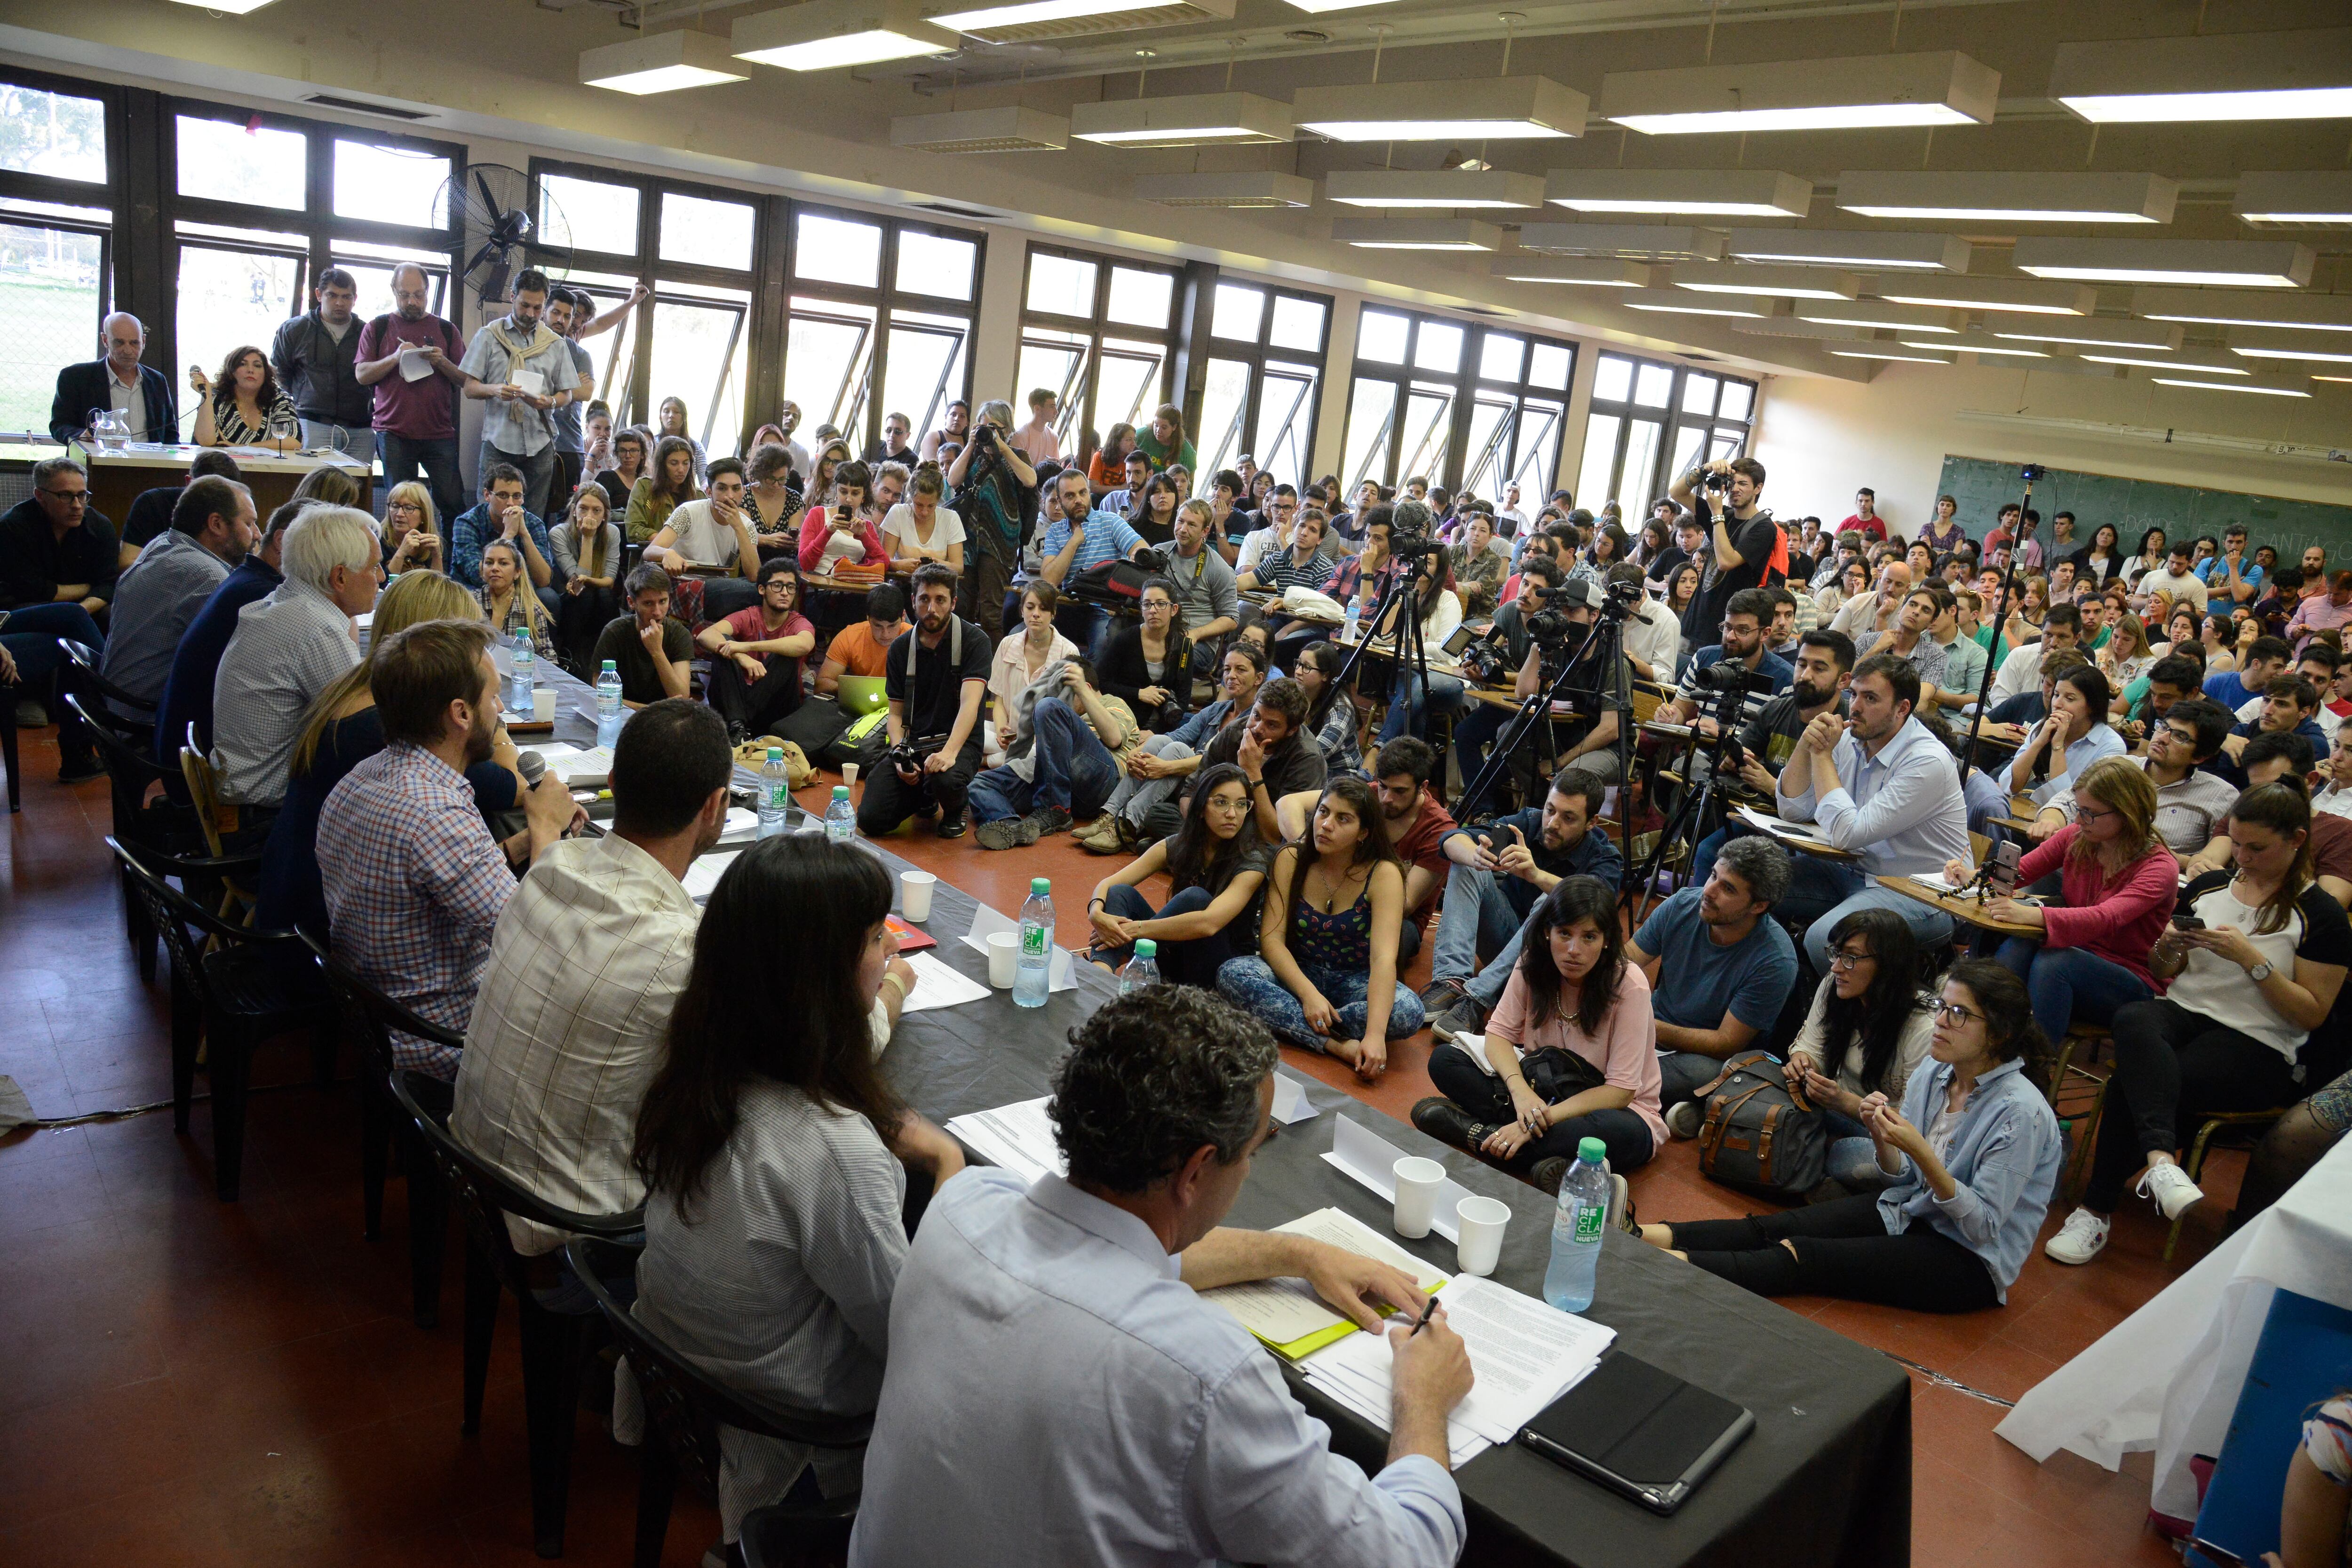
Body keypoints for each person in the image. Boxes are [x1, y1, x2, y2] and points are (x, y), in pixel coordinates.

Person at [849, 984, 1470, 1568]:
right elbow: (1404, 1554)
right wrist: (1422, 1401)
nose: (1248, 1171)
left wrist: (1298, 1254)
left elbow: (1113, 1256)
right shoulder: (1203, 1372)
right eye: (1252, 1151)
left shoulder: (962, 1208)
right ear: (1196, 1171)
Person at [626, 832, 956, 1550]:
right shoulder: (832, 1147)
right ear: (819, 978)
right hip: (798, 1430)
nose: (890, 950)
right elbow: (911, 1336)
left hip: (691, 1377)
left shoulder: (695, 1068)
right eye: (875, 937)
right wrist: (950, 1167)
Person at [454, 699, 729, 1265]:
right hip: (569, 1225)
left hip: (469, 1169)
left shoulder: (550, 868)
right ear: (713, 807)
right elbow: (794, 1058)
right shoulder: (683, 951)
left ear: (612, 784)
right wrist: (888, 991)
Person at [2046, 780, 2352, 1265]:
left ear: (2296, 840)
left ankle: (2095, 1210)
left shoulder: (2322, 915)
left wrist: (2252, 961)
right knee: (2133, 1017)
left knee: (2135, 1078)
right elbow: (2163, 969)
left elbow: (2311, 1012)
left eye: (2257, 848)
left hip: (2258, 1039)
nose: (2243, 857)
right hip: (2185, 1010)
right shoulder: (2209, 887)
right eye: (2236, 843)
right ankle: (2160, 1163)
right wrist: (2169, 946)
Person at [1641, 958, 2061, 1311]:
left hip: (1968, 1260)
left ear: (2000, 1032)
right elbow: (1903, 1178)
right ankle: (1641, 1235)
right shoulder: (1936, 1071)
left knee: (1805, 1257)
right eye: (1941, 1006)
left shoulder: (2020, 1113)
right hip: (1910, 1209)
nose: (1940, 1021)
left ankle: (1660, 1264)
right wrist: (1881, 1136)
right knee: (1780, 1225)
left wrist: (1920, 1152)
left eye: (1959, 1013)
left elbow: (1983, 1227)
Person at [318, 618, 579, 1078]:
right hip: (447, 1042)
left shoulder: (360, 779)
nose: (500, 709)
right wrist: (544, 829)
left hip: (380, 1022)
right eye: (493, 697)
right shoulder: (438, 815)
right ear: (461, 714)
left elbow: (446, 878)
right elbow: (537, 944)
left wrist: (523, 844)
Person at [257, 570, 519, 938]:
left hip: (301, 899)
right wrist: (496, 725)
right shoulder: (405, 739)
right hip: (311, 927)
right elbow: (511, 787)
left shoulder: (352, 692)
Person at [1414, 875, 1664, 1190]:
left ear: (1606, 941)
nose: (1574, 950)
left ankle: (1476, 1133)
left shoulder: (1629, 984)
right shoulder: (1533, 963)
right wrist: (1521, 1093)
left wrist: (1533, 1122)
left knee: (1614, 1133)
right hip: (1541, 1092)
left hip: (1610, 1109)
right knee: (1445, 1060)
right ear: (1548, 931)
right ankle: (1540, 1156)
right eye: (1564, 933)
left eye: (1589, 937)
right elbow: (1498, 1035)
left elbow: (1620, 1091)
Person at [1950, 756, 2181, 1051]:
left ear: (2127, 813)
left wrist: (2033, 915)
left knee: (2055, 962)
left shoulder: (2159, 868)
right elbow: (2021, 871)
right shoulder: (2078, 836)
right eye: (2079, 809)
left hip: (2129, 977)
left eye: (2089, 813)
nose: (2079, 820)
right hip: (2075, 952)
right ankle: (1984, 1040)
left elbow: (2105, 918)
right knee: (2021, 945)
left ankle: (2033, 1060)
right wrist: (1974, 877)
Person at [1218, 777, 1423, 1081]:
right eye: (1323, 812)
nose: (1326, 825)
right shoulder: (1291, 858)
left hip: (1356, 980)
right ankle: (1335, 1044)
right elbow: (1271, 940)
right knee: (1232, 974)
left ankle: (1298, 1023)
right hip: (1297, 973)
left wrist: (1375, 1035)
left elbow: (1383, 960)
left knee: (1409, 1011)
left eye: (1343, 819)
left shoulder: (1384, 874)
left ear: (1364, 833)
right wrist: (1309, 996)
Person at [1774, 654, 1971, 965]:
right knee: (1752, 887)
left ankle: (1844, 999)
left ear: (1902, 708)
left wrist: (1822, 756)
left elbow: (1847, 834)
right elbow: (1794, 810)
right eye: (1854, 694)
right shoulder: (1851, 739)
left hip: (1920, 893)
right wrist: (1806, 745)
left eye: (1870, 698)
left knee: (1825, 938)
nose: (1855, 707)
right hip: (1853, 872)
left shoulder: (1926, 760)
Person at [210, 506, 381, 807]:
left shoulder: (282, 603)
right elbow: (367, 726)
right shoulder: (316, 628)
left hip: (240, 782)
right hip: (266, 804)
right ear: (340, 577)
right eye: (374, 567)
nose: (381, 576)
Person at [1626, 839, 1801, 1126]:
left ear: (1759, 906)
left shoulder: (1775, 961)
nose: (1708, 891)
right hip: (1652, 1029)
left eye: (1728, 889)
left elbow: (1725, 1043)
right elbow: (1626, 961)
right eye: (1713, 875)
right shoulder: (1683, 903)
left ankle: (1616, 1085)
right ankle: (1678, 1104)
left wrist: (1642, 1025)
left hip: (1707, 1056)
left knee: (1706, 1074)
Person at [1780, 909, 1940, 1192]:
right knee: (1762, 1082)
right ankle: (1814, 1163)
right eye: (1836, 954)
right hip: (1827, 1112)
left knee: (1861, 1158)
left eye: (1851, 958)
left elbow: (1910, 1124)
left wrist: (1844, 1102)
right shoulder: (1836, 985)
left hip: (1886, 1136)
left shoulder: (1924, 1026)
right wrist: (1804, 1064)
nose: (1836, 968)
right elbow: (1810, 1046)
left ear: (1888, 965)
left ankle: (1800, 1153)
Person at [1085, 762, 1271, 986]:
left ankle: (1103, 976)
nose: (1232, 814)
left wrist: (1134, 930)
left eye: (1241, 804)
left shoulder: (1252, 861)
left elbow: (1209, 923)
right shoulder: (1179, 845)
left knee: (1195, 898)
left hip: (1221, 968)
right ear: (1201, 807)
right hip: (1175, 954)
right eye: (1221, 802)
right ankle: (1100, 975)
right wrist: (1096, 913)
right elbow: (1109, 884)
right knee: (1120, 892)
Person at [153, 498, 299, 763]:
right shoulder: (262, 596)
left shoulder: (246, 578)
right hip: (198, 760)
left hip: (187, 742)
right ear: (282, 541)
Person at [97, 475, 254, 721]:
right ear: (216, 524)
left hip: (118, 705)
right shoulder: (207, 574)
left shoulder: (163, 543)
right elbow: (245, 658)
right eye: (249, 524)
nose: (257, 535)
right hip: (145, 722)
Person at [1084, 644, 1269, 850]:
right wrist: (1137, 752)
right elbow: (1177, 735)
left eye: (1240, 670)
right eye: (1227, 669)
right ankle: (1109, 815)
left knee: (1176, 750)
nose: (1231, 676)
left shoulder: (1258, 721)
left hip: (1220, 789)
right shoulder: (1217, 710)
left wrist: (1166, 767)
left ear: (1259, 678)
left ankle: (1125, 826)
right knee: (1159, 742)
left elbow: (1220, 762)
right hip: (1189, 781)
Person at [860, 564, 988, 840]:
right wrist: (899, 756)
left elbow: (970, 704)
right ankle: (925, 796)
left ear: (953, 603)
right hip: (915, 742)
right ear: (913, 601)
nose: (932, 609)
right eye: (924, 599)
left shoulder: (975, 641)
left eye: (940, 600)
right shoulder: (900, 648)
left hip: (959, 742)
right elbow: (895, 715)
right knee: (871, 819)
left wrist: (949, 753)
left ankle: (956, 807)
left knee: (945, 778)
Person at [2030, 696, 2241, 862]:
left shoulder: (2219, 795)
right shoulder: (2118, 767)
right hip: (2086, 864)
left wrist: (2178, 860)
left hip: (2154, 883)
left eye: (2180, 737)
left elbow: (2216, 857)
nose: (2162, 738)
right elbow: (2065, 802)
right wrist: (2051, 821)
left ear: (2200, 757)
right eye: (2163, 727)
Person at [971, 655, 1137, 850]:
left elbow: (1114, 739)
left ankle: (1054, 809)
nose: (1062, 700)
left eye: (1065, 694)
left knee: (1048, 706)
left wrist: (1082, 691)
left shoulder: (1114, 703)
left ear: (1086, 688)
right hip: (1060, 786)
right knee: (979, 784)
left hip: (1103, 784)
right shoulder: (1063, 719)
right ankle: (1012, 827)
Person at [355, 262, 470, 526]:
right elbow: (362, 375)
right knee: (401, 508)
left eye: (418, 295)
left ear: (428, 291)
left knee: (453, 503)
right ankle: (402, 552)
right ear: (393, 290)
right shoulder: (378, 327)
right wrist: (396, 357)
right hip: (393, 432)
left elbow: (466, 380)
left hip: (438, 432)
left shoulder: (446, 329)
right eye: (404, 295)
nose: (412, 302)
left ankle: (453, 552)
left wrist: (441, 362)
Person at [459, 269, 578, 521]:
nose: (531, 314)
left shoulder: (555, 343)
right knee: (488, 516)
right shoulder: (489, 336)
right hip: (498, 441)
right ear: (512, 297)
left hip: (540, 442)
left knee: (532, 518)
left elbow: (567, 394)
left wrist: (549, 401)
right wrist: (495, 390)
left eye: (538, 308)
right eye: (525, 305)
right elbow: (469, 387)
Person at [946, 400, 1039, 642]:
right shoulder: (973, 455)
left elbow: (1030, 480)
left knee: (991, 612)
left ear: (1007, 430)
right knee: (962, 608)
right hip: (967, 540)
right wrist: (971, 445)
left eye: (994, 427)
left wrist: (1003, 449)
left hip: (1000, 542)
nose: (988, 431)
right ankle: (962, 657)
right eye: (983, 426)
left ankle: (993, 663)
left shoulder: (1017, 455)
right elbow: (953, 481)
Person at [691, 557, 812, 743]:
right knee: (723, 646)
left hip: (774, 710)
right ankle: (738, 726)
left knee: (786, 655)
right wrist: (742, 656)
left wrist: (748, 646)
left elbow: (805, 644)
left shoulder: (798, 622)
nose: (785, 593)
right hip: (736, 700)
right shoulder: (749, 615)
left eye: (791, 587)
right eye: (778, 586)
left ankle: (738, 725)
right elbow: (705, 635)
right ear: (762, 589)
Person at [1037, 467, 1150, 654]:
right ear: (1060, 500)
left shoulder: (1110, 521)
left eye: (1083, 493)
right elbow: (1049, 580)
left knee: (1103, 647)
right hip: (1068, 607)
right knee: (1022, 632)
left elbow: (1145, 554)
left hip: (1104, 609)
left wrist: (1134, 560)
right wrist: (1074, 542)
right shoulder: (1055, 532)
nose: (1079, 500)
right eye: (1070, 496)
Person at [1670, 456, 1780, 641]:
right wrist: (1704, 469)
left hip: (1727, 631)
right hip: (1694, 622)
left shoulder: (1764, 527)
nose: (1735, 489)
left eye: (1743, 484)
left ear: (1758, 488)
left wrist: (1716, 514)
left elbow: (1726, 562)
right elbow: (1677, 493)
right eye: (1732, 483)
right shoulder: (1724, 515)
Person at [269, 267, 372, 462]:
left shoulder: (367, 333)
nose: (340, 303)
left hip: (360, 427)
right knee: (313, 478)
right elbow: (279, 372)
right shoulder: (295, 329)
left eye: (346, 297)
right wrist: (302, 397)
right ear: (318, 295)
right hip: (312, 422)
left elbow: (376, 375)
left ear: (355, 299)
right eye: (332, 295)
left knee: (358, 480)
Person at [2009, 661, 2124, 807]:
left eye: (2069, 699)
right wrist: (2038, 743)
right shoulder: (2042, 727)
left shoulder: (2112, 746)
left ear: (2093, 706)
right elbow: (2011, 786)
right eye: (2056, 695)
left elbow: (2067, 804)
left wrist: (2058, 745)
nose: (2057, 704)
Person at [986, 580, 1079, 762]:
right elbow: (999, 701)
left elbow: (1064, 716)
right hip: (1009, 735)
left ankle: (989, 761)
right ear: (1022, 611)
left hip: (1044, 742)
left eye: (1043, 609)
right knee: (967, 734)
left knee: (1034, 756)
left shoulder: (1069, 653)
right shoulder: (1007, 645)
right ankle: (1004, 761)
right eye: (1030, 607)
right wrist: (1001, 730)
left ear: (1053, 613)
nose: (1036, 614)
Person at [51, 311, 175, 445]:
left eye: (134, 343)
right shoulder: (75, 377)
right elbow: (59, 425)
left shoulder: (157, 381)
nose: (128, 351)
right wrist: (81, 435)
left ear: (143, 341)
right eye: (119, 343)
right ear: (105, 340)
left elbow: (170, 434)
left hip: (150, 458)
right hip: (99, 457)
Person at [1097, 577, 1196, 734]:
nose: (1153, 610)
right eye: (1147, 604)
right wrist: (1138, 693)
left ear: (1174, 610)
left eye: (1161, 604)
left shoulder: (1184, 647)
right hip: (1124, 721)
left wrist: (1154, 732)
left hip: (1164, 726)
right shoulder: (1125, 639)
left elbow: (1183, 700)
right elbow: (1101, 683)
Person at [448, 464, 556, 606]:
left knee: (548, 598)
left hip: (518, 587)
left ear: (523, 499)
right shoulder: (467, 523)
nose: (511, 503)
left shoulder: (533, 523)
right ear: (487, 495)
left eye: (517, 496)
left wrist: (525, 535)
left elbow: (544, 581)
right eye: (503, 495)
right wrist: (509, 534)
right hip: (473, 589)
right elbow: (479, 576)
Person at [118, 450, 242, 568]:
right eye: (209, 494)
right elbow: (128, 563)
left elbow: (248, 561)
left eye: (224, 497)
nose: (215, 503)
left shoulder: (240, 511)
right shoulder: (152, 504)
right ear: (189, 482)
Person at [594, 565, 694, 708]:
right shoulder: (614, 632)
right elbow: (599, 695)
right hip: (623, 712)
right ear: (631, 603)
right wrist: (646, 709)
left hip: (666, 717)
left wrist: (657, 652)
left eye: (663, 601)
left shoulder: (679, 634)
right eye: (648, 604)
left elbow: (682, 697)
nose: (657, 612)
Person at [548, 482, 621, 674]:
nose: (589, 516)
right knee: (586, 595)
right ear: (574, 511)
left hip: (600, 597)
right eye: (583, 509)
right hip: (568, 597)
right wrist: (587, 538)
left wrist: (588, 581)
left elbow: (609, 581)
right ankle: (571, 659)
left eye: (597, 510)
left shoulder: (612, 533)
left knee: (605, 595)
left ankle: (610, 659)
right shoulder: (558, 534)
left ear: (605, 515)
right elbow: (577, 584)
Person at [1152, 498, 1240, 650]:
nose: (1183, 529)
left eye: (1192, 525)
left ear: (1205, 531)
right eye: (1181, 521)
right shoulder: (1159, 553)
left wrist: (1196, 634)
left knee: (1174, 653)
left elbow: (1231, 619)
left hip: (1198, 641)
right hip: (1158, 629)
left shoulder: (1219, 568)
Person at [187, 345, 299, 452]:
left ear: (266, 373)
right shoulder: (218, 396)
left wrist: (242, 447)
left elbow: (294, 440)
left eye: (257, 366)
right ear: (231, 372)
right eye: (243, 364)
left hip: (265, 465)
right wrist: (206, 395)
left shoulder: (279, 398)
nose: (251, 370)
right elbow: (206, 441)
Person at [817, 584, 909, 695]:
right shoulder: (850, 637)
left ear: (903, 617)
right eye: (878, 626)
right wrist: (854, 691)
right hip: (858, 699)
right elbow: (821, 685)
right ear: (868, 618)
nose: (885, 634)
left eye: (892, 626)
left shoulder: (916, 640)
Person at [475, 539, 553, 663]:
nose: (495, 568)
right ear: (482, 571)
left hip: (520, 671)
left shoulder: (531, 609)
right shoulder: (471, 602)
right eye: (489, 563)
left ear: (517, 572)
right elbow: (477, 653)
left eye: (503, 563)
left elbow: (547, 656)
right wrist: (498, 616)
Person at [879, 462, 964, 574]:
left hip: (938, 582)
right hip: (901, 581)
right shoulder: (897, 513)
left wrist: (939, 566)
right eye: (919, 505)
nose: (925, 512)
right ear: (910, 497)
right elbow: (885, 559)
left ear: (939, 500)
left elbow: (958, 567)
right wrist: (898, 565)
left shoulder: (951, 518)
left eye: (931, 506)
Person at [628, 434, 702, 547]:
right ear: (662, 465)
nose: (681, 469)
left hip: (691, 554)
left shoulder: (699, 496)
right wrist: (667, 541)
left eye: (686, 463)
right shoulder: (644, 487)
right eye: (674, 463)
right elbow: (633, 528)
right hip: (654, 553)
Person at [379, 481, 442, 575]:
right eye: (395, 506)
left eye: (409, 508)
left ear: (424, 515)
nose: (399, 514)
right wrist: (401, 554)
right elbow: (381, 582)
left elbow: (439, 583)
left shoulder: (435, 543)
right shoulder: (378, 540)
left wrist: (437, 557)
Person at [1133, 401, 1197, 472]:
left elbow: (1190, 475)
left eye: (1164, 428)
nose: (1158, 431)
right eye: (1156, 425)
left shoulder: (1186, 450)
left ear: (1174, 427)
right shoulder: (1141, 435)